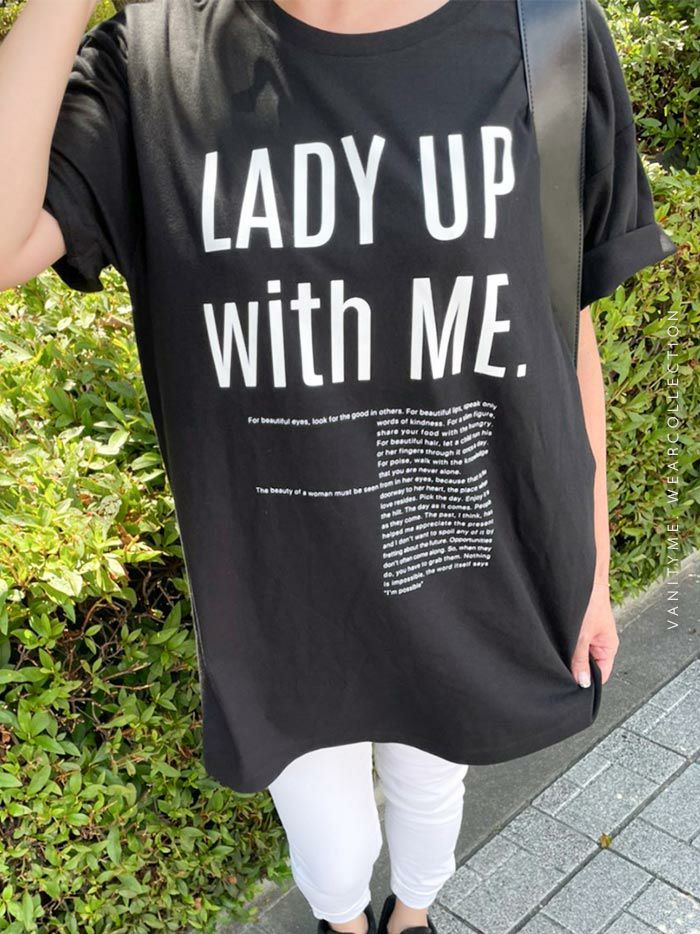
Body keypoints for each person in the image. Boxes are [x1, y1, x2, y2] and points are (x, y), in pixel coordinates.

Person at [0, 0, 678, 932]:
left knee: (432, 791)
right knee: (329, 838)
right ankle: (344, 921)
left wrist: (589, 560)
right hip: (281, 599)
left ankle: (414, 916)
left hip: (457, 565)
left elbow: (561, 323)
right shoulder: (156, 58)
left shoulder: (544, 30)